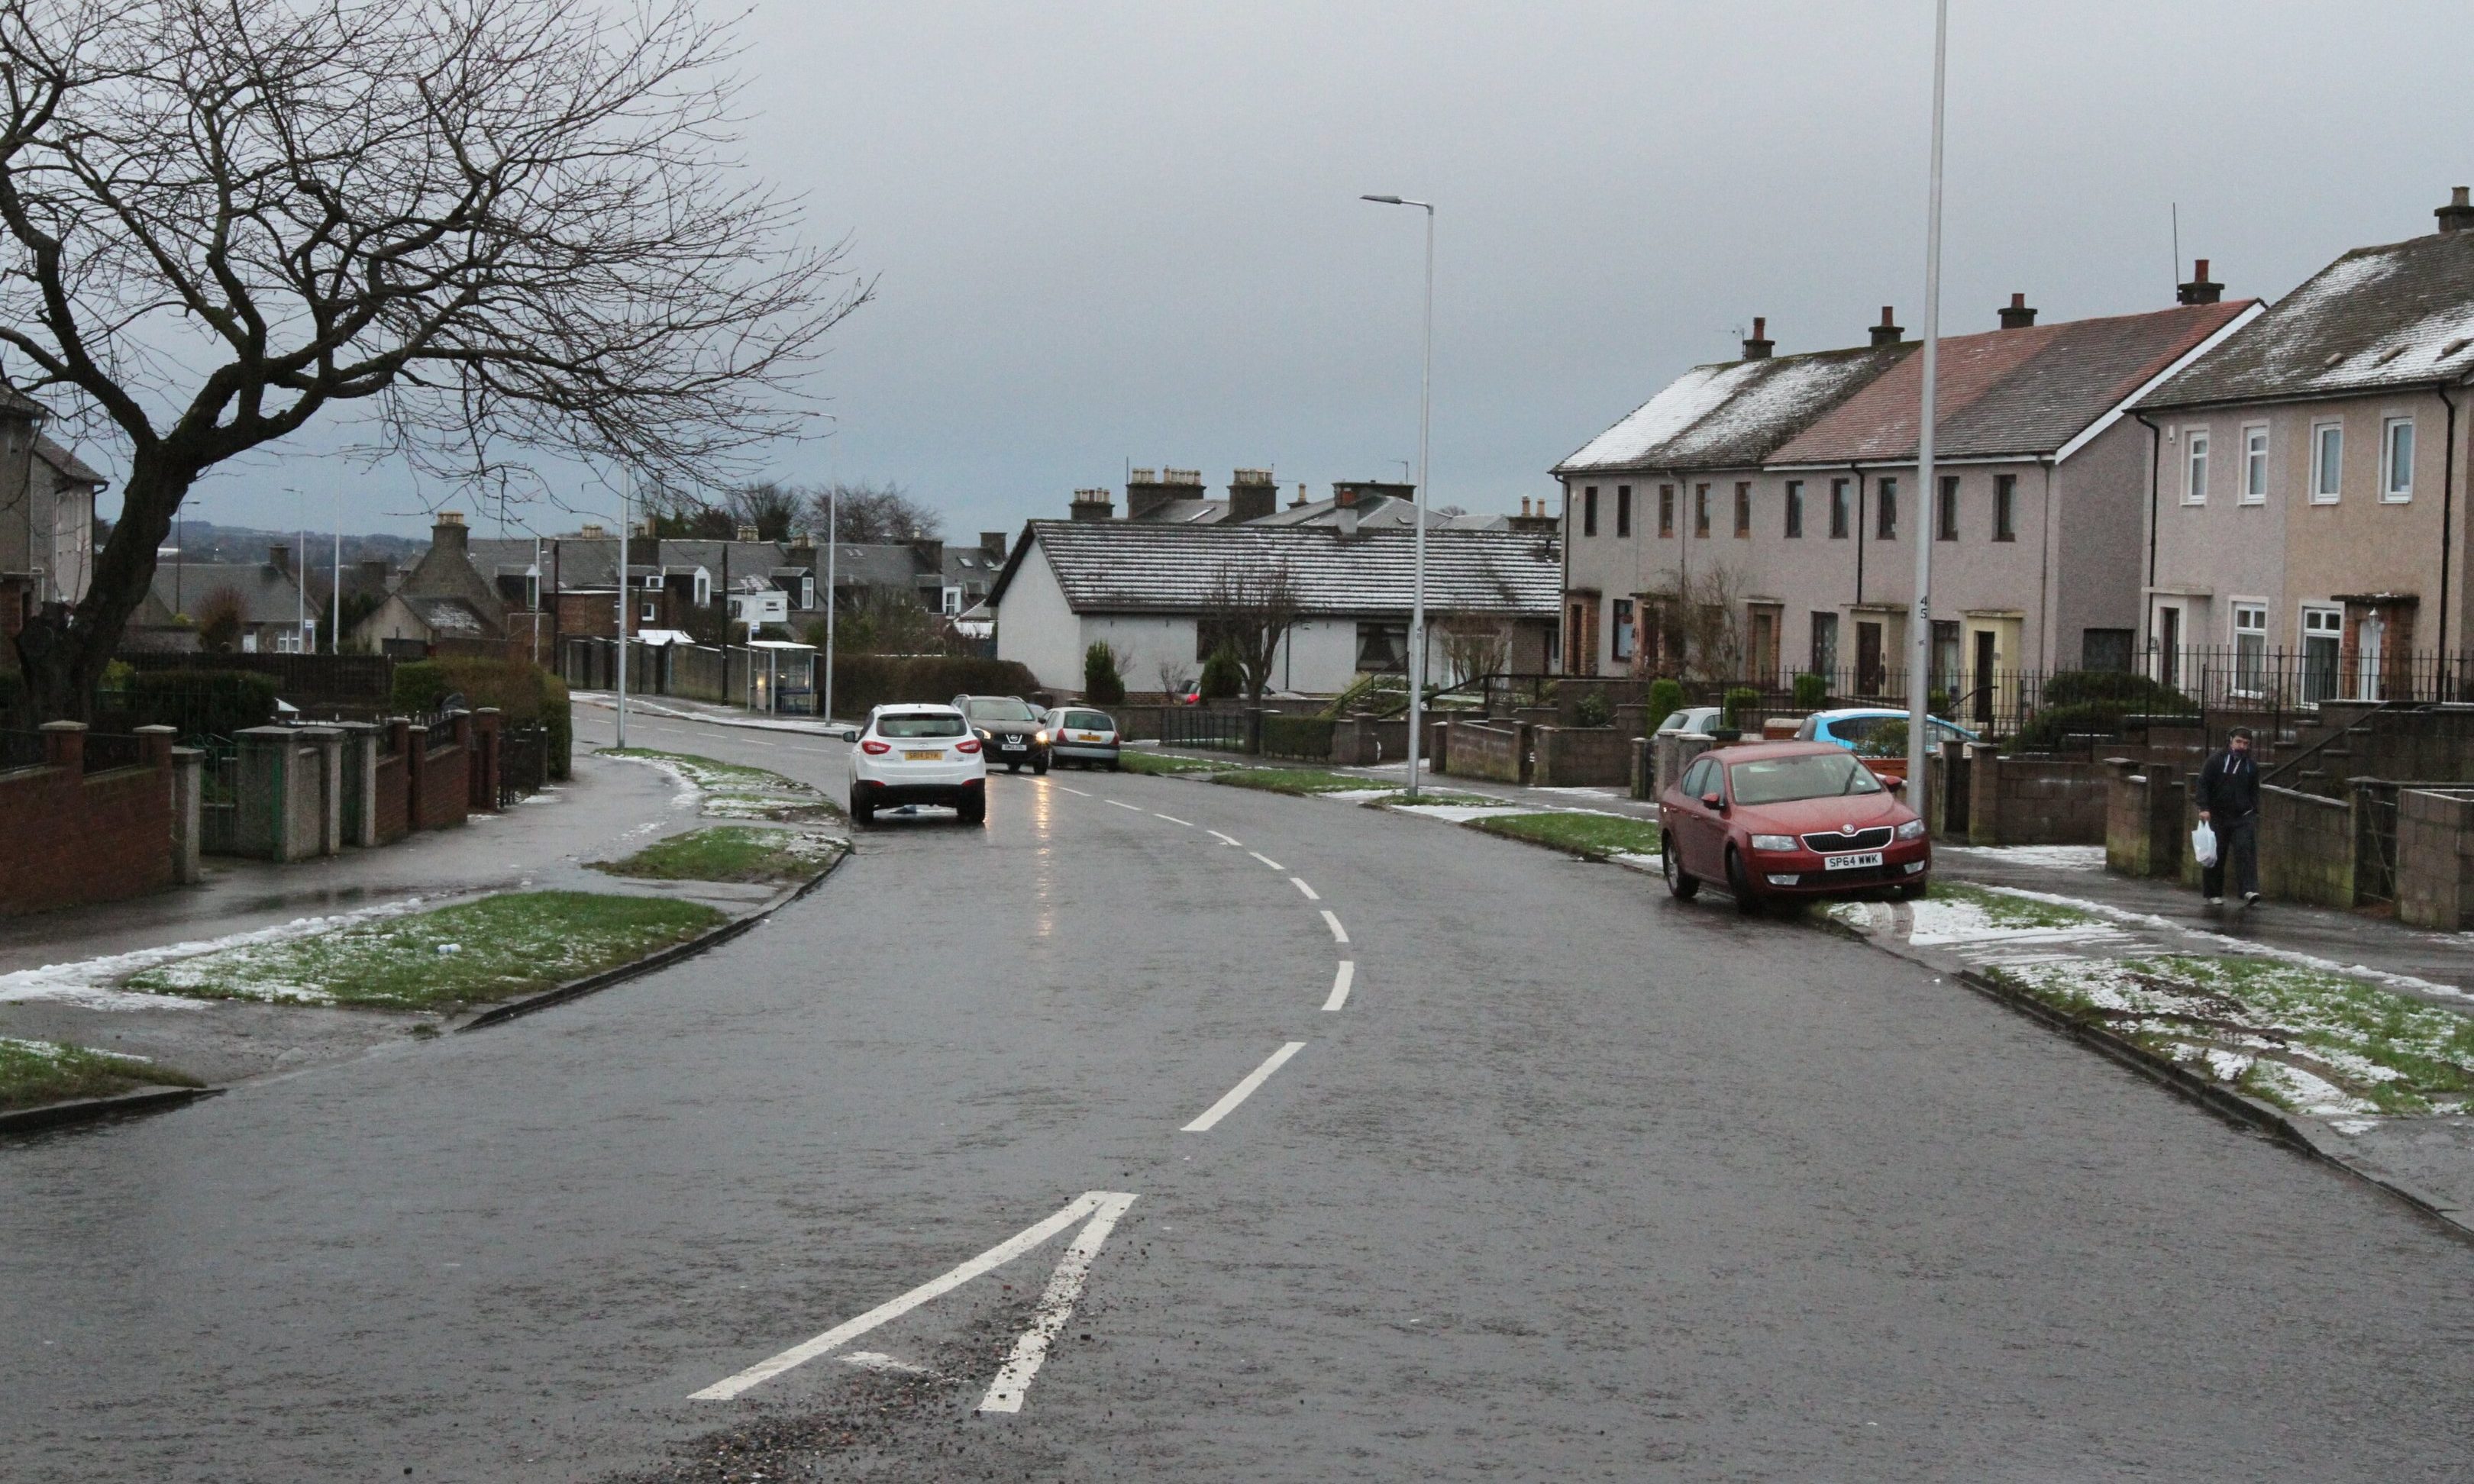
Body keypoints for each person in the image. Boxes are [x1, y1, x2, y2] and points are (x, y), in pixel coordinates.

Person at [2195, 727, 2261, 908]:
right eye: (2239, 741)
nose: (2242, 746)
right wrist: (2204, 807)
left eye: (2246, 743)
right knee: (2216, 854)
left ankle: (2248, 890)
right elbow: (2203, 783)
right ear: (2231, 740)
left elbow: (2254, 790)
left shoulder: (2251, 766)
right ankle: (2213, 893)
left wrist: (2253, 809)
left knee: (2245, 850)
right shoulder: (2216, 760)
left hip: (2242, 816)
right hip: (2218, 815)